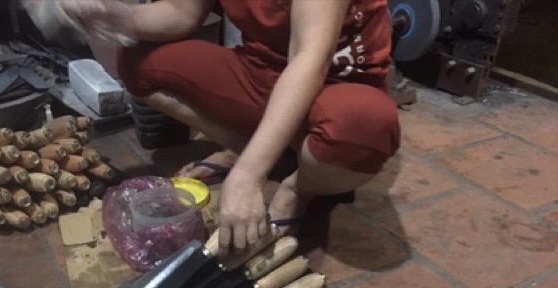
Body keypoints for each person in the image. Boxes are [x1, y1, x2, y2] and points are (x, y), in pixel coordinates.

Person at [29, 0, 400, 256]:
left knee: (361, 127)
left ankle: (298, 187)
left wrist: (249, 176)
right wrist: (112, 15)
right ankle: (249, 147)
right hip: (263, 70)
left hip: (337, 86)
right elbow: (180, 13)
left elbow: (309, 59)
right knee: (137, 61)